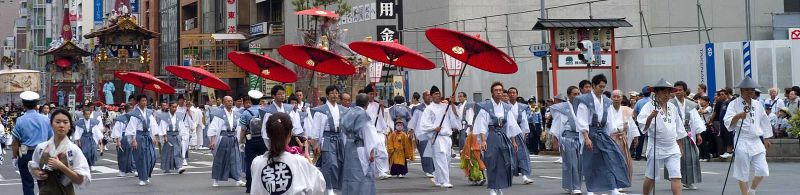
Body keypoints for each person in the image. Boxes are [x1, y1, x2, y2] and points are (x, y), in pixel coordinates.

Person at [574, 74, 631, 195]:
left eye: (604, 87)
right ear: (594, 86)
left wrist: (615, 132)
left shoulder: (606, 101)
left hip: (603, 134)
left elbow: (609, 120)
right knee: (591, 162)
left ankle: (613, 188)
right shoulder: (585, 101)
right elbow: (582, 120)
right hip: (590, 133)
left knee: (610, 160)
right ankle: (591, 189)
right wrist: (586, 138)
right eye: (600, 86)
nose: (602, 89)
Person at [249, 112, 326, 195]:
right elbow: (319, 187)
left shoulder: (256, 163)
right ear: (290, 134)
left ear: (267, 134)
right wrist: (306, 156)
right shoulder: (300, 161)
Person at [723, 78, 773, 195]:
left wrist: (766, 138)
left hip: (756, 140)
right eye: (747, 90)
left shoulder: (757, 104)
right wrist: (738, 116)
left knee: (762, 169)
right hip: (742, 139)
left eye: (752, 90)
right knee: (742, 172)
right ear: (741, 91)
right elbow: (727, 121)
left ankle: (752, 190)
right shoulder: (734, 104)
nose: (750, 92)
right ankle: (744, 193)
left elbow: (764, 120)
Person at [637, 79, 687, 195]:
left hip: (672, 146)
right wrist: (650, 117)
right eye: (664, 92)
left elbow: (679, 129)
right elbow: (643, 126)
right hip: (656, 146)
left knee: (676, 176)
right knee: (651, 176)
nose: (667, 95)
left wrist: (680, 147)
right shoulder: (649, 106)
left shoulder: (672, 107)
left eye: (669, 92)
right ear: (656, 93)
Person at [473, 82, 522, 195]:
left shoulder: (506, 107)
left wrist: (514, 141)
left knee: (505, 162)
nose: (499, 92)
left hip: (503, 136)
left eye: (500, 90)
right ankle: (492, 187)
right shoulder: (486, 106)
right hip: (491, 135)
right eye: (496, 90)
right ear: (492, 92)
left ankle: (499, 186)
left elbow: (511, 125)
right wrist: (483, 140)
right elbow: (482, 125)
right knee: (492, 162)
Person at [28, 109, 92, 194]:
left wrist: (62, 167)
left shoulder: (73, 150)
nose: (61, 125)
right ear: (51, 124)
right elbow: (34, 167)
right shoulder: (41, 148)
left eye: (65, 122)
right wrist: (39, 174)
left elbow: (81, 180)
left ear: (69, 126)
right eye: (57, 122)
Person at [11, 91, 54, 195]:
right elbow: (51, 139)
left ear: (23, 105)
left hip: (26, 154)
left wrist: (14, 156)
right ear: (37, 105)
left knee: (27, 184)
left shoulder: (20, 120)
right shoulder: (46, 119)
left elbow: (15, 141)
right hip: (43, 154)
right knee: (43, 183)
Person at [307, 86, 347, 195]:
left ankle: (337, 187)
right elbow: (316, 128)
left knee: (340, 163)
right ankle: (329, 188)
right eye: (332, 93)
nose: (334, 95)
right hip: (327, 138)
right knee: (329, 163)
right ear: (327, 95)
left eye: (336, 93)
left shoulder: (343, 109)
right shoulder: (321, 110)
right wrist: (316, 144)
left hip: (339, 138)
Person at [419, 86, 460, 188]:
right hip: (437, 137)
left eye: (439, 93)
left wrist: (452, 104)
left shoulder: (446, 106)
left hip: (447, 137)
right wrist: (434, 128)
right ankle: (445, 181)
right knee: (441, 159)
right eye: (435, 94)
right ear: (431, 97)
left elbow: (456, 116)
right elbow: (424, 124)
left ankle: (438, 178)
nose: (438, 95)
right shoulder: (429, 109)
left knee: (447, 159)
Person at [340, 93, 381, 194]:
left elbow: (343, 131)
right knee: (362, 174)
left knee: (350, 174)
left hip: (349, 146)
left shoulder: (348, 113)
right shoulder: (363, 116)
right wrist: (371, 152)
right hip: (361, 147)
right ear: (367, 104)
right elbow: (369, 134)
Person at [669, 81, 707, 190]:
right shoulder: (670, 103)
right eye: (676, 90)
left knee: (691, 157)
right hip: (674, 135)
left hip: (688, 133)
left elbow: (695, 120)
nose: (678, 92)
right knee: (677, 158)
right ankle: (677, 180)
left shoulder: (690, 104)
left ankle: (689, 181)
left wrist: (698, 134)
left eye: (680, 90)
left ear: (685, 91)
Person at [549, 88, 582, 195]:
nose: (576, 96)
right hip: (568, 138)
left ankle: (572, 185)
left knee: (580, 164)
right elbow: (557, 124)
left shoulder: (582, 107)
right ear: (568, 95)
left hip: (580, 137)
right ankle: (575, 187)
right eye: (574, 94)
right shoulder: (563, 108)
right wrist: (555, 139)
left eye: (578, 94)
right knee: (572, 163)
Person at [207, 96, 247, 187]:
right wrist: (212, 141)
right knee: (219, 159)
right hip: (223, 138)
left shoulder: (237, 114)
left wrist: (241, 140)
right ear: (224, 103)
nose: (230, 102)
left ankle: (238, 179)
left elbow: (239, 128)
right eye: (228, 101)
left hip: (233, 138)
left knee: (235, 159)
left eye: (231, 101)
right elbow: (213, 128)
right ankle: (216, 179)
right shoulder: (219, 114)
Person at [126, 95, 160, 186]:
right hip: (139, 136)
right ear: (138, 102)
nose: (144, 102)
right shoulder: (135, 113)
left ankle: (147, 175)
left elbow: (153, 125)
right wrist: (133, 140)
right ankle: (142, 178)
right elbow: (132, 127)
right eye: (142, 101)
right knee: (141, 158)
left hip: (147, 135)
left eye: (145, 100)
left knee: (152, 157)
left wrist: (154, 136)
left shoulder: (149, 112)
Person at [609, 90, 640, 185]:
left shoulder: (626, 110)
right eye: (614, 96)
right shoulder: (607, 110)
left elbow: (632, 124)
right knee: (612, 162)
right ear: (611, 98)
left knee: (623, 161)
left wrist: (635, 138)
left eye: (618, 96)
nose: (616, 98)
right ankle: (613, 183)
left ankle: (621, 182)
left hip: (622, 139)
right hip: (610, 139)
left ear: (622, 98)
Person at [241, 90, 268, 193]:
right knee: (264, 162)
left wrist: (241, 140)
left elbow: (243, 128)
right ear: (260, 100)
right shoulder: (264, 111)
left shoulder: (245, 113)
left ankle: (249, 186)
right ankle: (263, 184)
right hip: (262, 140)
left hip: (250, 140)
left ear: (250, 100)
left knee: (249, 163)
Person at [507, 87, 534, 184]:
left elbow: (524, 121)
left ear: (517, 94)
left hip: (518, 133)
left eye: (514, 93)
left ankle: (525, 176)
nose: (512, 94)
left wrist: (524, 133)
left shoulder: (522, 107)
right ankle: (509, 176)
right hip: (506, 133)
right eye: (510, 93)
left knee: (522, 155)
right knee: (508, 155)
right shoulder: (504, 106)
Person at [363, 85, 391, 180]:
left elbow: (381, 118)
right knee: (370, 153)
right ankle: (369, 171)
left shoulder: (377, 105)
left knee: (382, 152)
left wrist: (381, 107)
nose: (372, 96)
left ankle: (382, 171)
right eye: (370, 94)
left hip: (378, 131)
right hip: (368, 131)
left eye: (373, 94)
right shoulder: (363, 106)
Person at [409, 90, 436, 178]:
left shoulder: (435, 107)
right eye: (427, 95)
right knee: (425, 153)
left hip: (432, 133)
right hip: (422, 134)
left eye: (430, 95)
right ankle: (428, 170)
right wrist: (411, 130)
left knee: (433, 152)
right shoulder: (419, 109)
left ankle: (434, 169)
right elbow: (414, 120)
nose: (429, 97)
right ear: (423, 97)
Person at [157, 102, 190, 174]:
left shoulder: (179, 116)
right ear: (169, 107)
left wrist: (182, 135)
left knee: (177, 151)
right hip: (168, 135)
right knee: (167, 152)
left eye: (175, 107)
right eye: (173, 107)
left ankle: (179, 167)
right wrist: (164, 136)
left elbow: (181, 126)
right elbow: (163, 126)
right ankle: (166, 167)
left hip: (177, 134)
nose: (174, 109)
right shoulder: (164, 116)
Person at [112, 104, 136, 177]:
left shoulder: (134, 117)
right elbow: (117, 129)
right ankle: (122, 170)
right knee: (122, 154)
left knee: (133, 154)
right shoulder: (121, 118)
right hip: (123, 136)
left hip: (132, 136)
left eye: (132, 109)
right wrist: (118, 140)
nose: (131, 111)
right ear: (126, 110)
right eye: (130, 109)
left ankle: (134, 169)